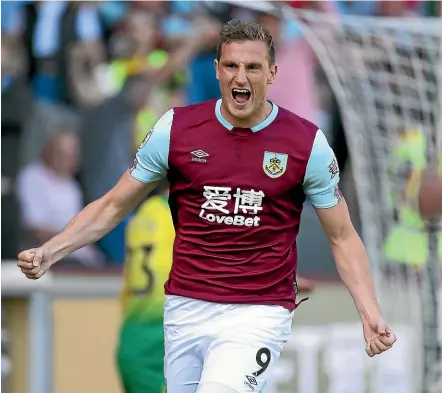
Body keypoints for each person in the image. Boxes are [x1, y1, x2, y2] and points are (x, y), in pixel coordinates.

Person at [18, 19, 396, 393]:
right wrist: (53, 250)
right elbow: (114, 204)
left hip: (258, 312)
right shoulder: (176, 129)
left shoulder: (305, 144)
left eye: (253, 67)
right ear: (216, 70)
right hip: (186, 307)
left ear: (273, 73)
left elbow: (343, 236)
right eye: (231, 65)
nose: (241, 77)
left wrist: (369, 311)